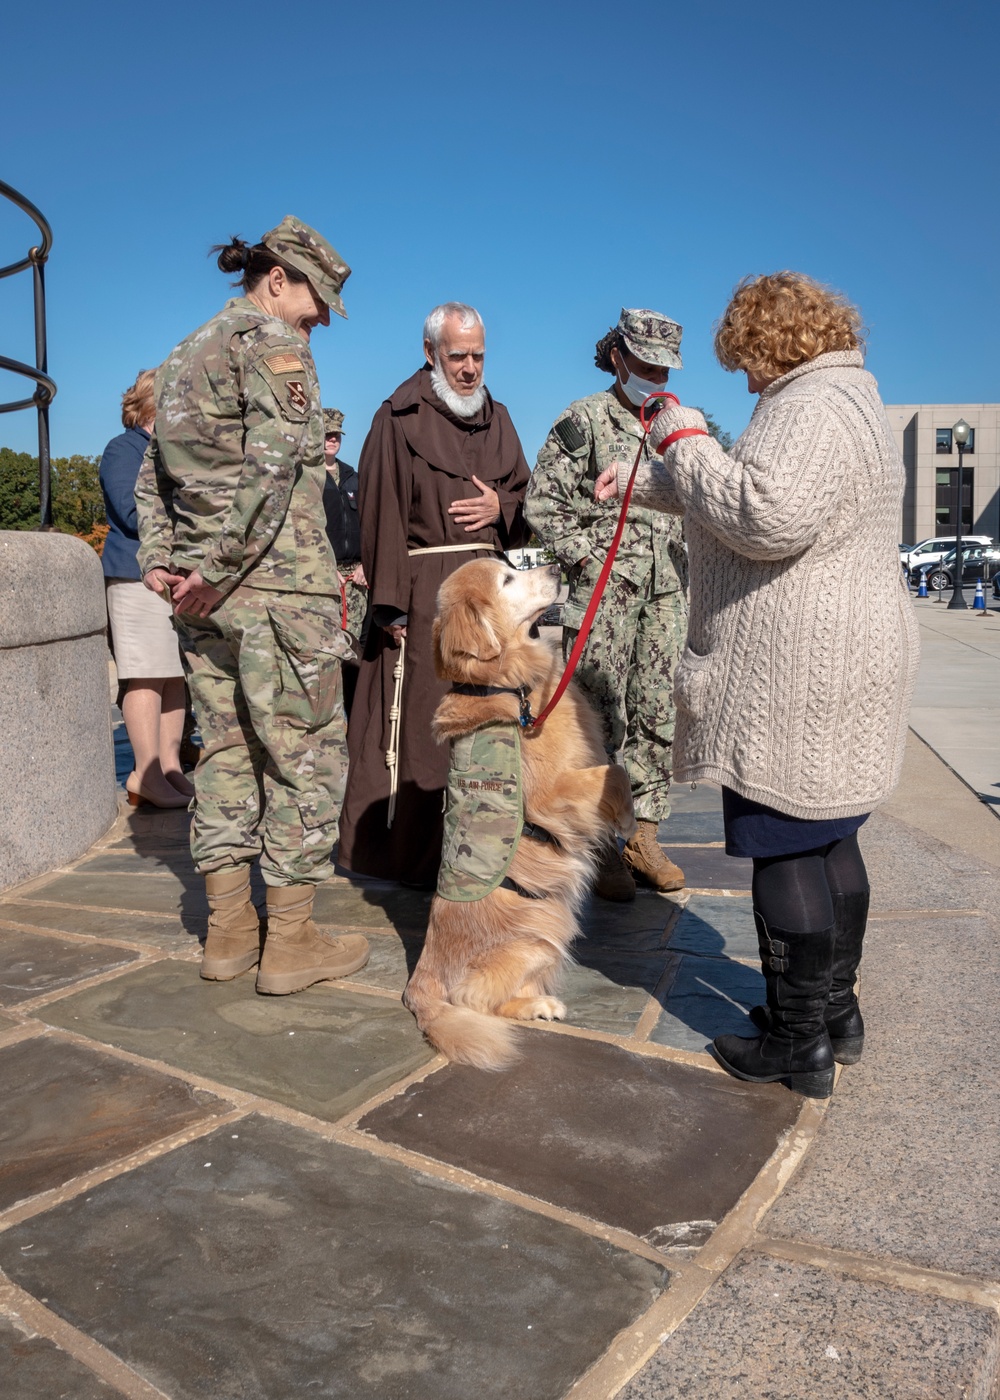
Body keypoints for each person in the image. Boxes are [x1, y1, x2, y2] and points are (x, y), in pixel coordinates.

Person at [595, 272, 919, 1097]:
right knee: (830, 838)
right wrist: (647, 486)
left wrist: (680, 434)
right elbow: (767, 498)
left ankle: (795, 1039)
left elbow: (765, 515)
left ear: (770, 341)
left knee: (782, 846)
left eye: (744, 358)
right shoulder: (852, 401)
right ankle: (836, 1015)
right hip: (852, 660)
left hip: (799, 673)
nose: (743, 376)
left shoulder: (807, 406)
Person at [135, 216, 369, 995]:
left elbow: (152, 479)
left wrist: (167, 562)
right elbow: (271, 473)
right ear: (278, 279)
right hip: (275, 589)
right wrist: (221, 567)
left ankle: (229, 936)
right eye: (316, 303)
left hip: (208, 602)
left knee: (228, 754)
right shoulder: (271, 344)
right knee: (304, 758)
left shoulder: (178, 357)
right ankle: (291, 943)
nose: (319, 322)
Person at [337, 302, 531, 888]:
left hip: (490, 601)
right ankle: (411, 858)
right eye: (458, 356)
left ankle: (486, 848)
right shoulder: (397, 418)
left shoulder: (498, 419)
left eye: (478, 355)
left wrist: (503, 507)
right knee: (421, 727)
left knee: (488, 721)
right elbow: (381, 512)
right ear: (431, 354)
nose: (471, 368)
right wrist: (391, 603)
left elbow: (526, 496)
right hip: (423, 596)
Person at [526, 309, 688, 901]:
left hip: (665, 590)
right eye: (645, 362)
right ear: (619, 356)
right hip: (605, 597)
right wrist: (594, 552)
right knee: (601, 713)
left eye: (664, 365)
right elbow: (541, 506)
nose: (656, 374)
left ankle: (644, 834)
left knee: (657, 709)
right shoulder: (584, 421)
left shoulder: (676, 426)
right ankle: (602, 842)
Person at [99, 370, 193, 810]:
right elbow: (129, 510)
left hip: (173, 578)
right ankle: (145, 772)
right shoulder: (124, 448)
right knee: (146, 673)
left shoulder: (172, 450)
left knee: (175, 675)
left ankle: (170, 768)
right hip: (136, 576)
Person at [321, 407, 368, 717]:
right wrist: (325, 567)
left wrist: (368, 563)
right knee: (328, 656)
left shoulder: (353, 477)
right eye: (327, 435)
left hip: (357, 581)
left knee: (357, 655)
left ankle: (355, 727)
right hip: (326, 578)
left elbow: (369, 522)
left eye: (336, 435)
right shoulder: (305, 476)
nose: (332, 440)